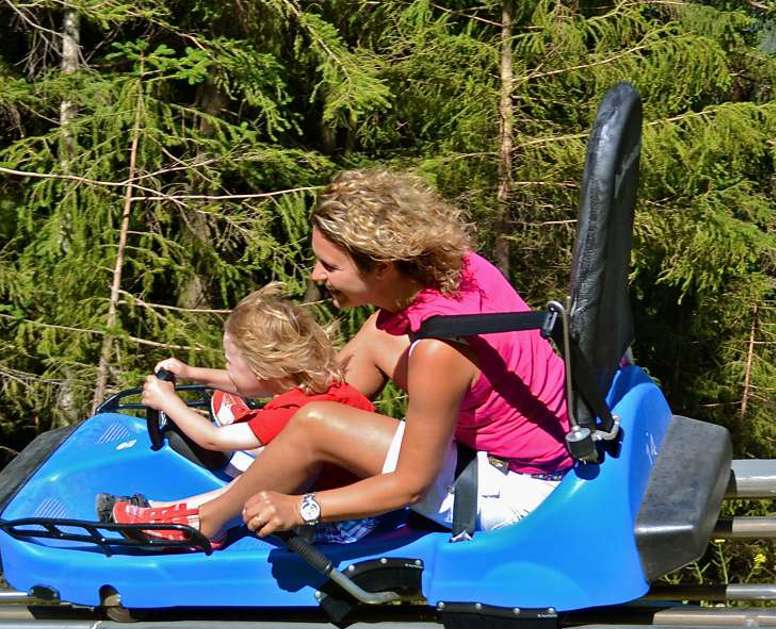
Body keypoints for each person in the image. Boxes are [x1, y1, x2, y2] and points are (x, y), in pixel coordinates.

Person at [127, 168, 574, 544]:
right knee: (376, 334)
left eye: (331, 266)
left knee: (316, 422)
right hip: (540, 454)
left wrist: (302, 507)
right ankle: (281, 432)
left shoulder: (439, 349)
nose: (317, 275)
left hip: (523, 494)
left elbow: (411, 484)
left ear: (382, 265)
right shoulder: (461, 268)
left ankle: (210, 520)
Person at [99, 283, 381, 546]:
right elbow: (252, 384)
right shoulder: (318, 384)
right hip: (361, 505)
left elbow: (212, 439)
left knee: (248, 484)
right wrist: (191, 373)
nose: (227, 367)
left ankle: (187, 522)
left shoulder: (294, 413)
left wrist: (168, 400)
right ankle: (161, 509)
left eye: (229, 362)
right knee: (257, 471)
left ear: (260, 368)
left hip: (336, 523)